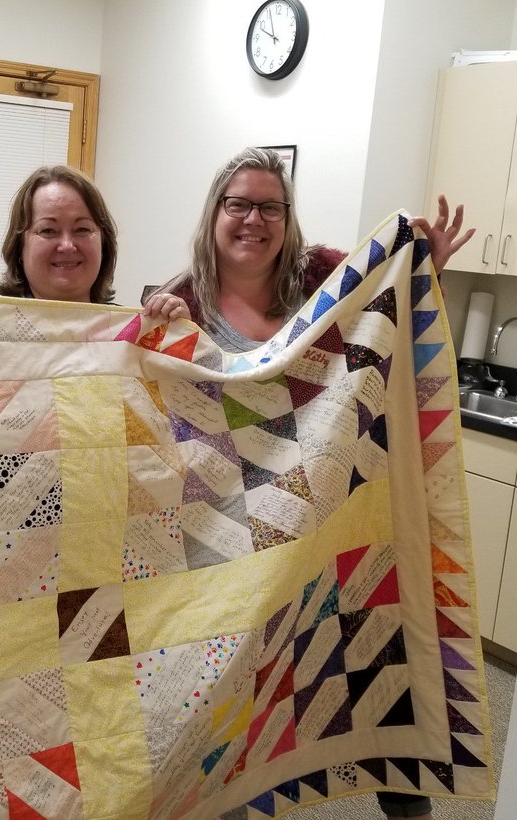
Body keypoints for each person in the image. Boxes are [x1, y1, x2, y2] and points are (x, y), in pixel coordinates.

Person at [156, 147, 473, 820]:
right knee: (234, 697)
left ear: (288, 217)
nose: (254, 219)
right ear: (215, 213)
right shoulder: (181, 298)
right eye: (238, 203)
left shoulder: (326, 274)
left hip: (336, 516)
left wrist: (426, 272)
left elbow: (389, 325)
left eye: (271, 205)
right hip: (229, 532)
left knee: (374, 658)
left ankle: (403, 800)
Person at [0, 164, 190, 324]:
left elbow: (188, 412)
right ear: (20, 247)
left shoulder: (132, 337)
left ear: (104, 243)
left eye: (83, 229)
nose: (67, 245)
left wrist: (182, 335)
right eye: (48, 230)